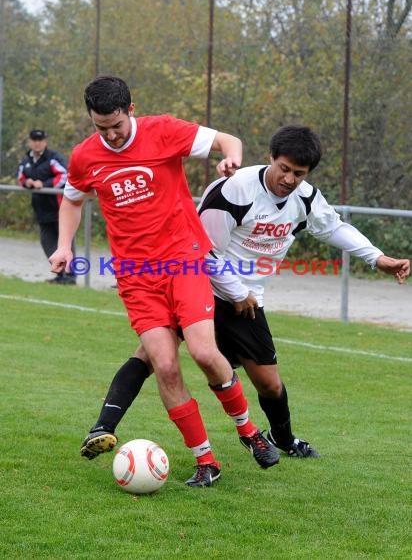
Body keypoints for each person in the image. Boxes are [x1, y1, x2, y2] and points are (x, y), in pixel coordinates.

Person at [80, 124, 410, 462]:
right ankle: (103, 427)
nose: (289, 179)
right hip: (201, 287)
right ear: (270, 158)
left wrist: (378, 258)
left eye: (299, 173)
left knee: (269, 383)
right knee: (154, 357)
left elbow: (334, 227)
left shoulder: (306, 198)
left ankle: (283, 438)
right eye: (284, 169)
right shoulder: (234, 191)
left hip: (247, 302)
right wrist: (236, 291)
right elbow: (202, 251)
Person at [49, 75, 279, 488]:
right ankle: (206, 461)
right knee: (166, 365)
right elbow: (71, 198)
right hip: (136, 277)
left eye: (116, 125)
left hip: (183, 261)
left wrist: (232, 159)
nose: (111, 135)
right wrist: (65, 245)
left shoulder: (164, 131)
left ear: (131, 109)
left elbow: (228, 140)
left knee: (205, 354)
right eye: (101, 127)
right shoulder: (85, 155)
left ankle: (249, 432)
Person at [17, 129, 76, 285]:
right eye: (34, 140)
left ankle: (70, 277)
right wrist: (27, 183)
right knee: (47, 242)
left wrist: (44, 184)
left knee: (66, 243)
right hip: (41, 209)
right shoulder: (26, 159)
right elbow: (21, 176)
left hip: (59, 208)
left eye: (40, 139)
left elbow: (65, 174)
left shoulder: (53, 157)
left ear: (45, 141)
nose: (37, 143)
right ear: (30, 141)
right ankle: (60, 274)